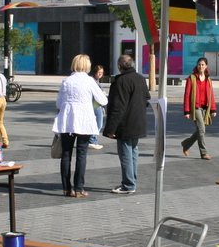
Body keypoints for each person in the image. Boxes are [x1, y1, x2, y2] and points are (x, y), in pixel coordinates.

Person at [53, 54, 107, 198]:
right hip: (84, 121)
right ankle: (79, 188)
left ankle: (66, 188)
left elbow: (58, 103)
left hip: (67, 121)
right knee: (81, 155)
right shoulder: (90, 82)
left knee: (66, 155)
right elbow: (103, 100)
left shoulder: (66, 81)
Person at [102, 54, 148, 196]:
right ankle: (131, 180)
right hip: (138, 122)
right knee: (133, 152)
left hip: (125, 124)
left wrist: (110, 128)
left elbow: (118, 107)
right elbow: (147, 99)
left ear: (119, 66)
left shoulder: (121, 81)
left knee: (126, 154)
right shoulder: (140, 79)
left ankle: (128, 184)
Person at [180, 57, 217, 159]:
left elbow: (211, 94)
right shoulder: (191, 78)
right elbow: (187, 95)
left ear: (206, 66)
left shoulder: (208, 79)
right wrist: (186, 111)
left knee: (201, 130)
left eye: (202, 65)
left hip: (206, 108)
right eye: (199, 64)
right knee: (201, 130)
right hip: (195, 108)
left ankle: (186, 144)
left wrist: (213, 109)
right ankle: (204, 153)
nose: (200, 66)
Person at [88, 64, 106, 149]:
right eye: (99, 72)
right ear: (95, 72)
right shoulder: (93, 81)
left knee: (96, 124)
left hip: (96, 104)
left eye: (101, 73)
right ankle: (92, 140)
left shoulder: (97, 81)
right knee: (99, 124)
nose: (100, 74)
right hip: (95, 105)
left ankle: (93, 140)